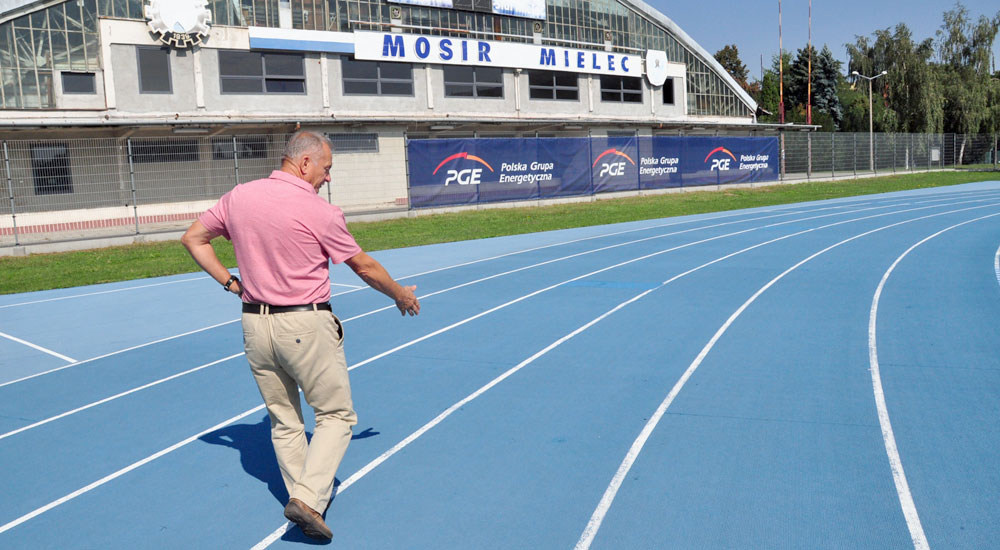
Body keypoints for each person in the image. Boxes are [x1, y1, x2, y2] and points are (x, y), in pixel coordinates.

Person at [181, 130, 420, 540]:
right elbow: (362, 266)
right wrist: (399, 293)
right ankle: (309, 500)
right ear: (305, 162)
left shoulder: (240, 196)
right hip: (304, 325)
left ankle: (304, 503)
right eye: (326, 168)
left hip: (255, 325)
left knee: (284, 421)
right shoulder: (319, 211)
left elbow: (193, 238)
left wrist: (231, 283)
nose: (328, 178)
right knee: (336, 415)